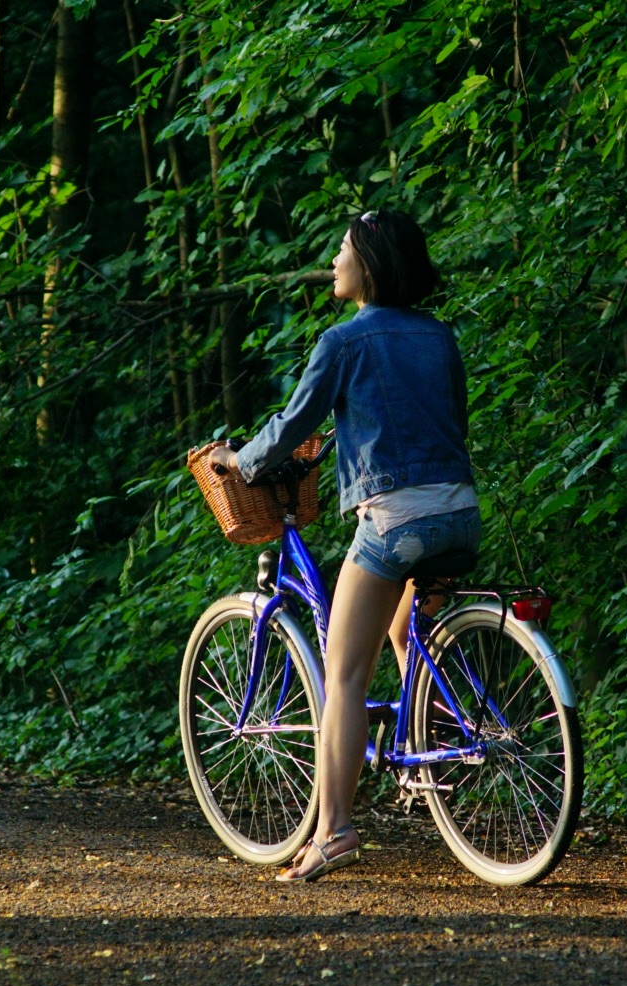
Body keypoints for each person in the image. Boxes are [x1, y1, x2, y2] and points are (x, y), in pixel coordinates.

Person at [207, 209, 479, 882]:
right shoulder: (441, 337)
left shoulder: (343, 342)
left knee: (343, 675)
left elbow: (292, 421)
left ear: (371, 266)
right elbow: (444, 419)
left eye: (342, 251)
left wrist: (243, 461)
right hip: (461, 511)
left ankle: (334, 831)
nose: (333, 261)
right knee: (406, 633)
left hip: (393, 521)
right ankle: (435, 745)